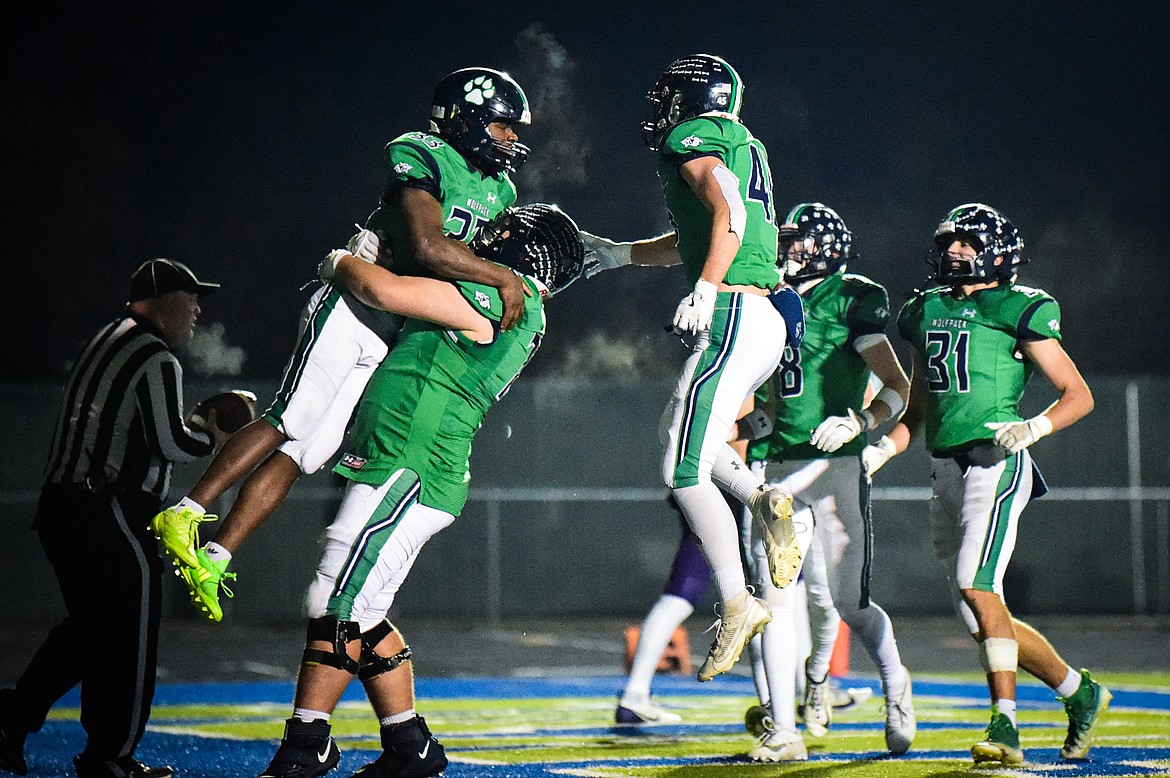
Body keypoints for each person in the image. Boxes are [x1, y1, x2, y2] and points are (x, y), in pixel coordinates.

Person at [149, 67, 534, 622]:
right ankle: (186, 510)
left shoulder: (502, 189)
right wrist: (502, 278)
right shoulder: (421, 151)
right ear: (468, 119)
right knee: (292, 414)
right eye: (502, 128)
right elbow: (425, 245)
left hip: (393, 317)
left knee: (312, 447)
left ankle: (216, 554)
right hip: (354, 300)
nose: (512, 140)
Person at [256, 204, 584, 778]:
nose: (487, 240)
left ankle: (305, 746)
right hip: (403, 461)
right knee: (365, 606)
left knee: (335, 600)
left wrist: (338, 261)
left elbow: (382, 291)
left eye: (502, 235)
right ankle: (410, 745)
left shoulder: (504, 299)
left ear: (523, 251)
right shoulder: (516, 302)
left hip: (411, 465)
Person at [580, 54, 801, 691]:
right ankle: (765, 501)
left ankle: (738, 602)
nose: (662, 112)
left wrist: (706, 287)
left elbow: (726, 208)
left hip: (735, 306)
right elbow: (705, 228)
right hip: (762, 315)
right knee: (692, 447)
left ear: (690, 100)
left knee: (680, 469)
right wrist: (619, 254)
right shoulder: (742, 141)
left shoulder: (690, 138)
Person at [863, 203, 1110, 765]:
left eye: (966, 243)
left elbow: (1079, 394)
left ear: (997, 250)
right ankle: (1080, 691)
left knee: (978, 585)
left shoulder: (1020, 307)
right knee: (978, 616)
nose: (954, 251)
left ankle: (1006, 728)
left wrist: (1035, 425)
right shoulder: (925, 310)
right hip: (944, 468)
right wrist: (886, 446)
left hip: (995, 460)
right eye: (949, 242)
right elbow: (922, 400)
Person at [0, 259, 228, 778]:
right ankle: (111, 756)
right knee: (131, 635)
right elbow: (170, 441)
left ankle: (12, 716)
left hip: (61, 506)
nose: (196, 308)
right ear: (161, 299)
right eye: (189, 297)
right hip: (109, 509)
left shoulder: (105, 337)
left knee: (90, 631)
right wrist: (215, 437)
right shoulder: (154, 355)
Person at [745, 203, 916, 757]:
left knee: (846, 601)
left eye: (799, 241)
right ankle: (784, 725)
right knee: (769, 596)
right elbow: (771, 388)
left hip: (836, 466)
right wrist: (748, 422)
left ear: (827, 247)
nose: (788, 249)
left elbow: (896, 385)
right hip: (776, 465)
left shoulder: (852, 297)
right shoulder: (771, 294)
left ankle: (894, 687)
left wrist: (860, 421)